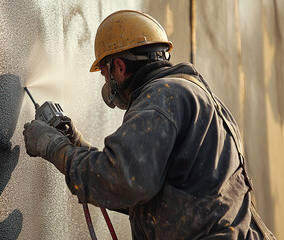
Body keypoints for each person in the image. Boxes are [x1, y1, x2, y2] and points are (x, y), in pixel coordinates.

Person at [23, 10, 276, 239]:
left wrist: (55, 149)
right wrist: (77, 145)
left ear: (119, 67)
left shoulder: (159, 99)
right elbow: (151, 195)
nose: (105, 82)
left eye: (105, 73)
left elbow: (124, 182)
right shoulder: (191, 95)